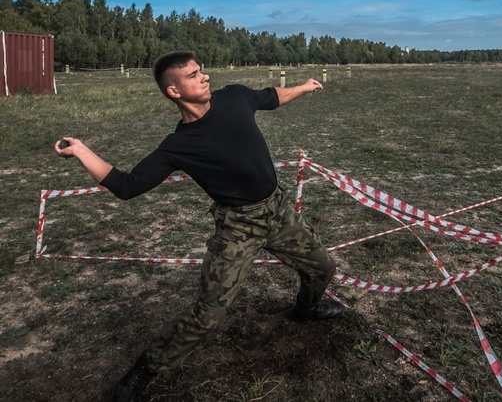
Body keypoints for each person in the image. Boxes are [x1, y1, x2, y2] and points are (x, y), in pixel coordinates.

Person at [54, 50, 342, 402]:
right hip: (239, 227)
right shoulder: (178, 146)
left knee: (323, 268)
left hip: (278, 210)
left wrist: (303, 87)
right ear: (174, 91)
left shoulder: (235, 97)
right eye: (193, 75)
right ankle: (145, 369)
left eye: (201, 71)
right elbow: (126, 186)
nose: (204, 77)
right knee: (208, 316)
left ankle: (306, 309)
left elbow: (271, 97)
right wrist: (82, 151)